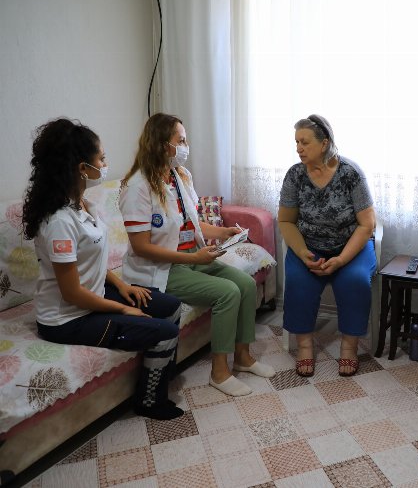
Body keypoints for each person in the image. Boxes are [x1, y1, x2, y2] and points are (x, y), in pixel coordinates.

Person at [22, 118, 184, 420]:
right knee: (165, 332)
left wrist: (123, 287)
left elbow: (90, 261)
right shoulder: (59, 222)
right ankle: (150, 401)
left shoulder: (83, 205)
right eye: (102, 159)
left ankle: (161, 372)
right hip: (68, 318)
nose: (106, 165)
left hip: (93, 296)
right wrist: (123, 309)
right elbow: (71, 293)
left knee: (171, 307)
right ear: (82, 168)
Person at [118, 113, 274, 397]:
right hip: (161, 268)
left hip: (191, 257)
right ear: (162, 144)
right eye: (181, 141)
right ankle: (220, 373)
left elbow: (191, 223)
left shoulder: (179, 176)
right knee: (228, 292)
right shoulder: (137, 186)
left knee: (246, 284)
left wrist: (224, 232)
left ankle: (243, 357)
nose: (185, 146)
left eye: (185, 140)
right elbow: (140, 246)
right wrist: (193, 259)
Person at [278, 114, 377, 377]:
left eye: (305, 142)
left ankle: (349, 347)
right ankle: (305, 346)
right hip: (310, 247)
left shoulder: (350, 173)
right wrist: (303, 253)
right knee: (298, 281)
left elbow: (367, 224)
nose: (298, 148)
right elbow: (286, 221)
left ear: (324, 144)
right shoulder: (295, 175)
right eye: (296, 142)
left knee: (355, 281)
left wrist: (342, 260)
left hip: (351, 248)